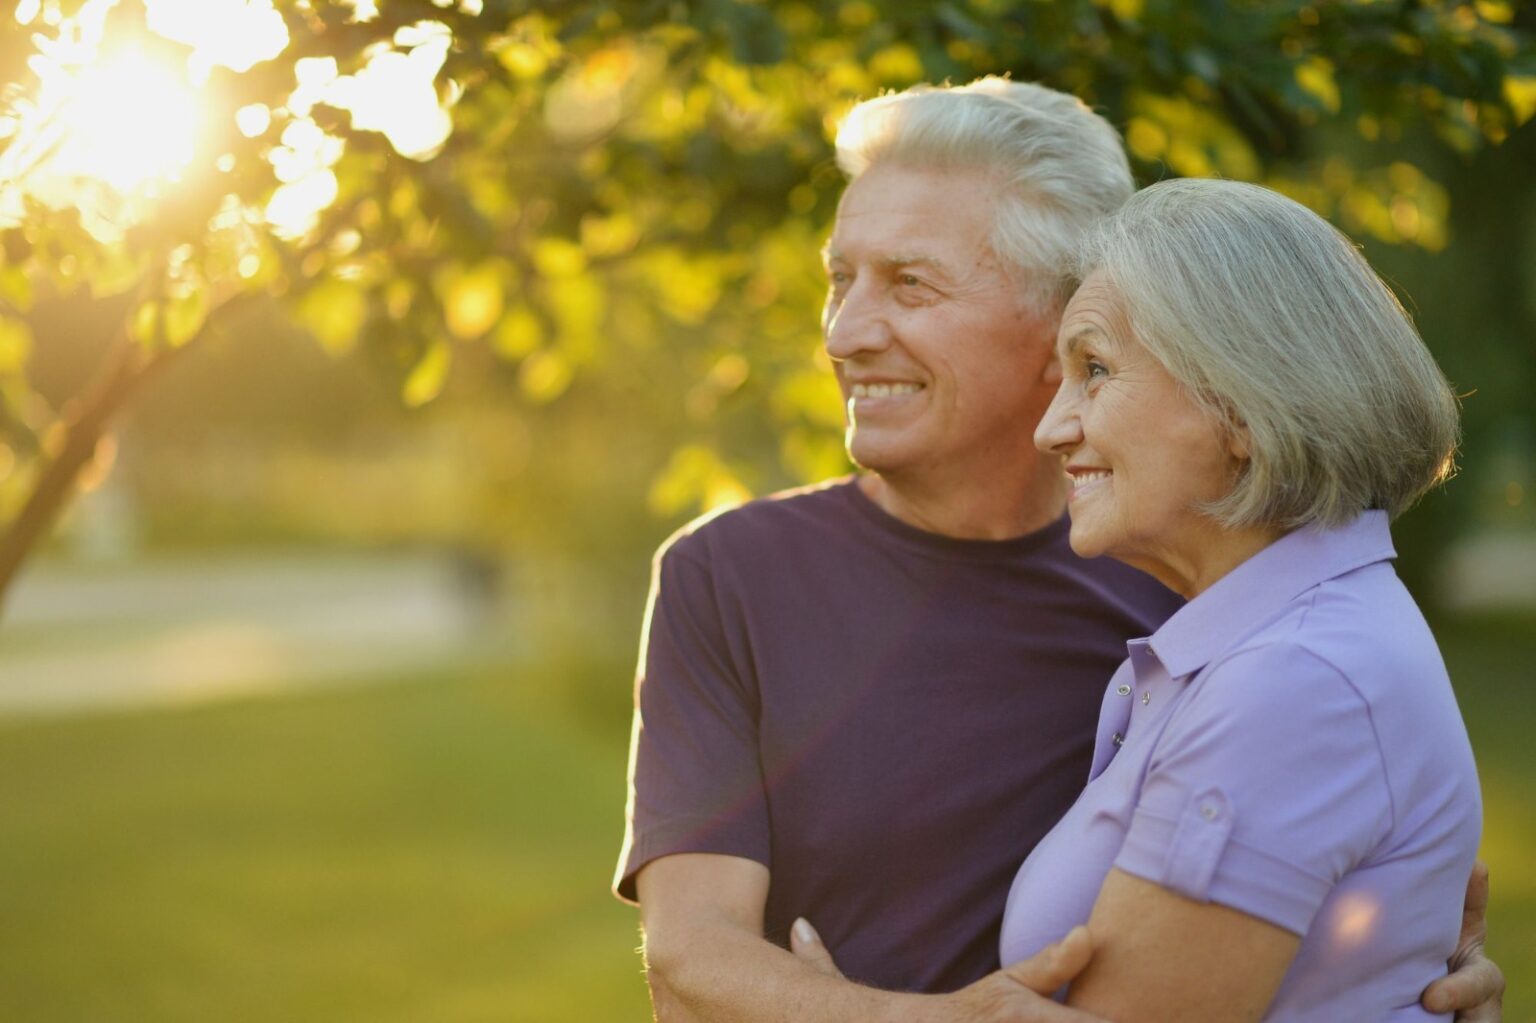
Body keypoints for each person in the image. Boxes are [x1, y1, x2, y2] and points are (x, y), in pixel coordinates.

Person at [615, 78, 1505, 1022]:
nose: (845, 333)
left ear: (1064, 322)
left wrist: (1386, 961)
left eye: (910, 283)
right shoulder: (728, 574)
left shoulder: (1200, 583)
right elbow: (689, 958)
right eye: (841, 279)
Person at [997, 177, 1482, 1019]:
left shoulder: (1296, 678)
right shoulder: (1264, 644)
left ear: (1243, 408)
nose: (1052, 427)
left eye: (1096, 370)